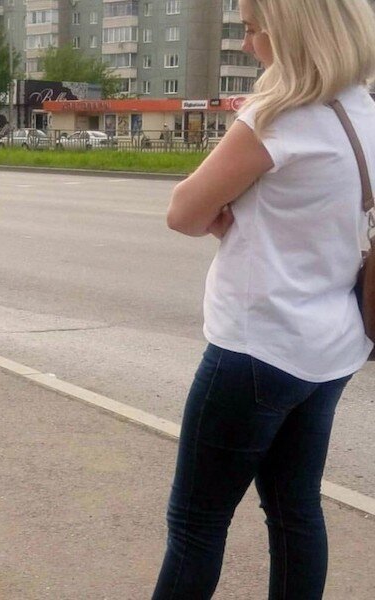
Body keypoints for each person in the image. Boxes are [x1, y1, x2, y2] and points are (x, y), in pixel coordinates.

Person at [152, 0, 375, 598]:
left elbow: (183, 213)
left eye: (253, 30)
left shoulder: (278, 117)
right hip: (332, 348)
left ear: (294, 32)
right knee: (296, 509)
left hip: (258, 346)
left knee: (196, 523)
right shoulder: (366, 112)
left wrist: (226, 213)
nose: (248, 44)